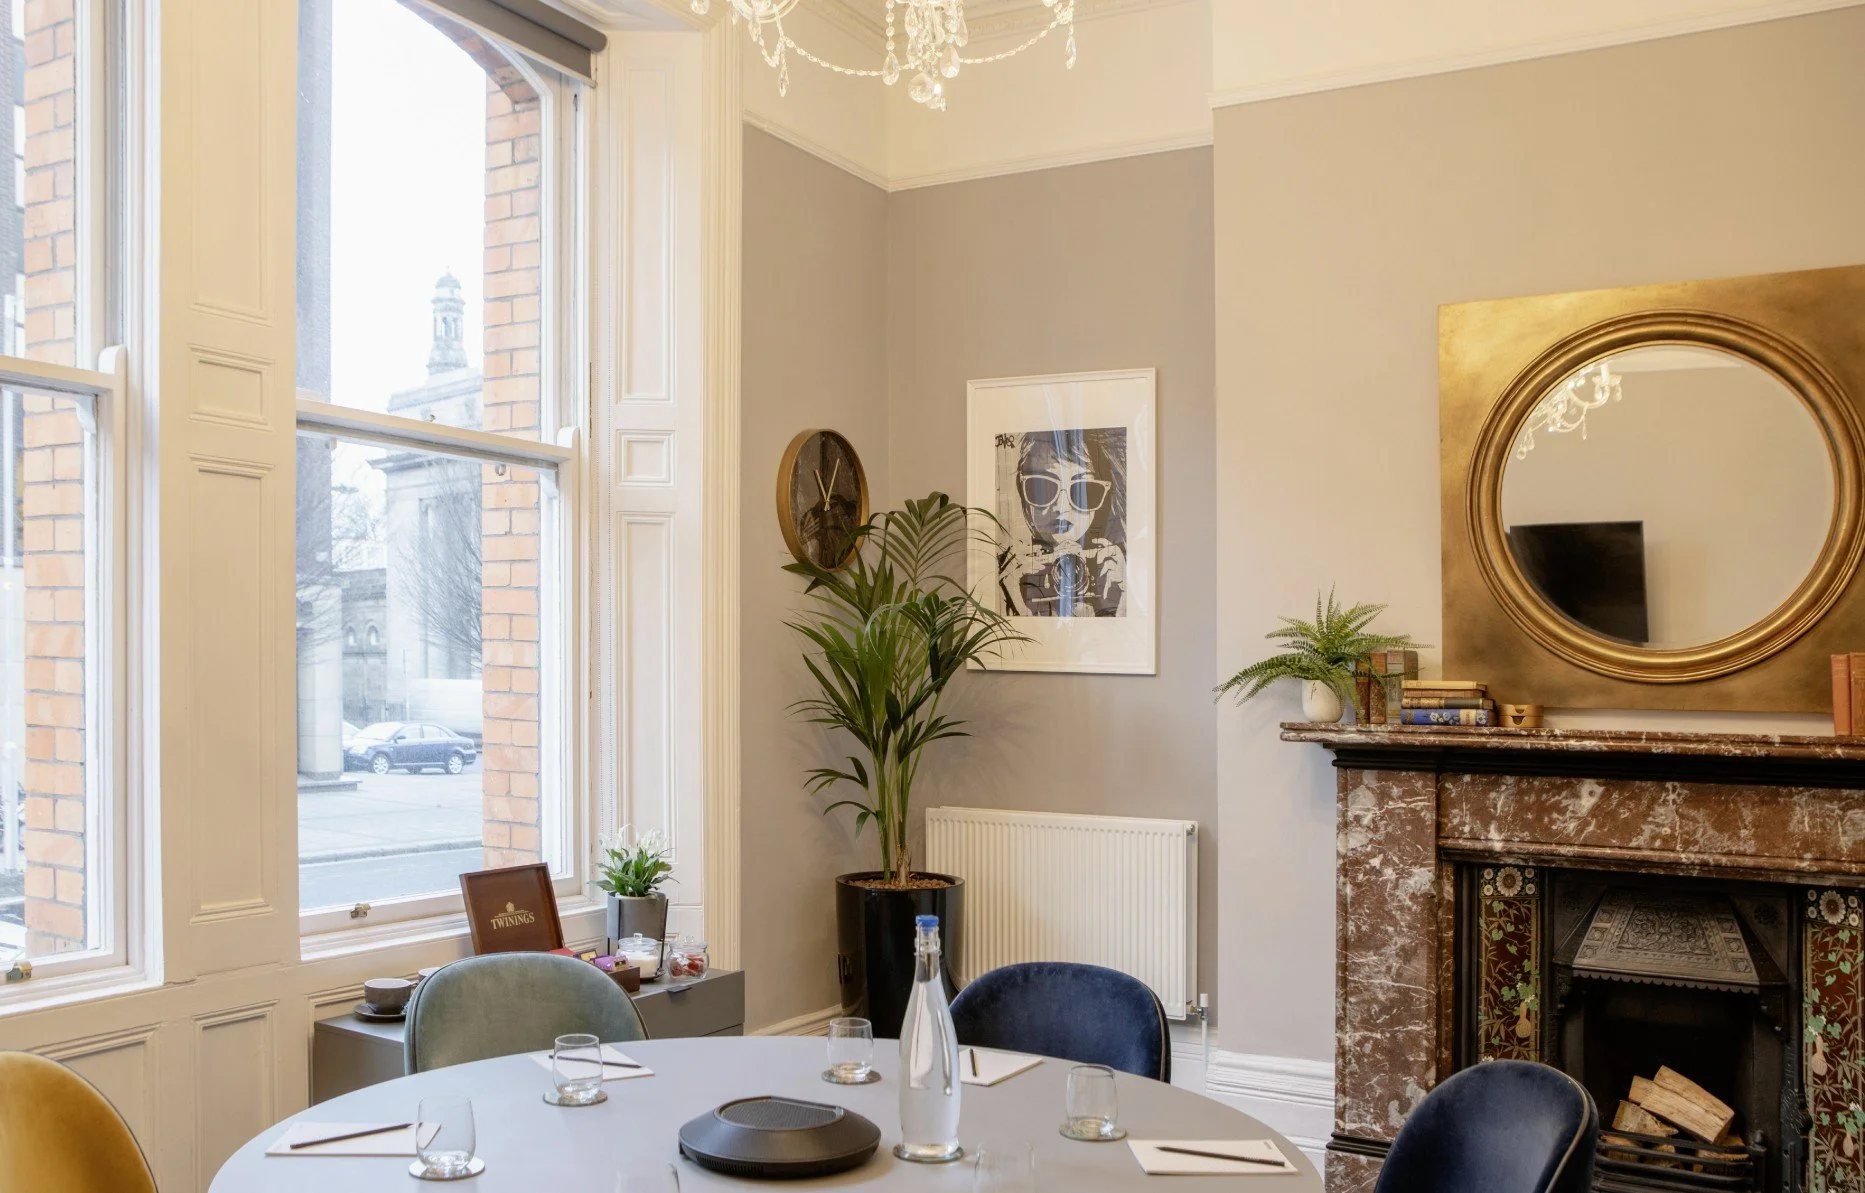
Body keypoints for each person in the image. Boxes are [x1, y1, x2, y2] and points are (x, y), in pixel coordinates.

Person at [999, 428, 1127, 617]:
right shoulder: (1006, 571)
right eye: (1042, 486)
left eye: (1083, 490)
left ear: (1105, 497)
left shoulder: (1117, 567)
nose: (1061, 507)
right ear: (1022, 490)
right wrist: (1012, 601)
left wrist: (1121, 601)